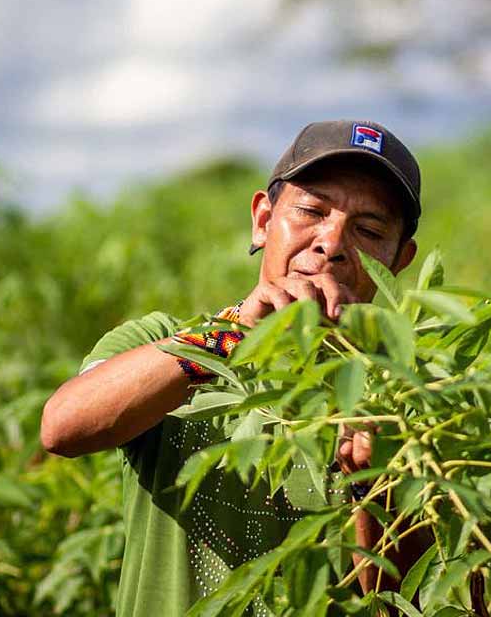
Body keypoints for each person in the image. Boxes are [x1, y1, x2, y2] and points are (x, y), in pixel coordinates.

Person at [41, 120, 428, 616]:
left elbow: (398, 603)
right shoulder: (161, 341)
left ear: (399, 261)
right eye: (311, 211)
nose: (331, 243)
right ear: (263, 220)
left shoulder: (408, 395)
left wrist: (375, 485)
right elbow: (63, 428)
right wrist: (228, 336)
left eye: (370, 231)